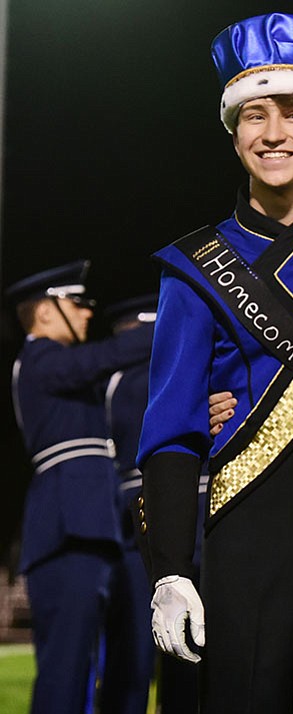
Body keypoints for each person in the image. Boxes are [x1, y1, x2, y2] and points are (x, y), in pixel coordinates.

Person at [136, 13, 293, 713]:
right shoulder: (193, 266)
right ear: (233, 131)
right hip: (244, 544)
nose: (274, 132)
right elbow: (171, 427)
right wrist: (168, 572)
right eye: (254, 114)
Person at [5, 260, 154, 714]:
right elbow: (106, 357)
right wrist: (176, 321)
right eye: (77, 303)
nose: (89, 313)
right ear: (45, 313)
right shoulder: (40, 359)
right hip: (69, 531)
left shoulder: (65, 371)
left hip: (93, 530)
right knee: (66, 670)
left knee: (112, 662)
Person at [102, 294, 205, 714]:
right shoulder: (175, 374)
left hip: (135, 520)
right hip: (187, 516)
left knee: (138, 651)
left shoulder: (112, 382)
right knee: (187, 647)